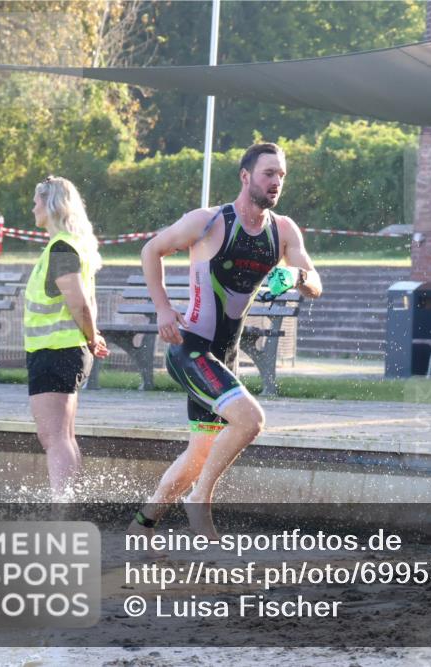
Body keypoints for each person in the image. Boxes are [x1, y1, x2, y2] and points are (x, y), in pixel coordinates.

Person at [131, 142, 321, 540]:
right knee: (251, 421)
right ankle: (200, 500)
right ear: (245, 176)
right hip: (191, 349)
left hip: (224, 358)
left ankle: (141, 526)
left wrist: (297, 276)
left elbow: (315, 283)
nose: (276, 182)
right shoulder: (209, 221)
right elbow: (151, 250)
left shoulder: (284, 231)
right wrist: (163, 309)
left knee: (201, 452)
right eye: (269, 174)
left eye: (282, 175)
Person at [24, 176, 109, 499]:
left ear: (51, 204)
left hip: (56, 351)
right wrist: (91, 335)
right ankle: (69, 502)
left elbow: (79, 302)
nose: (33, 208)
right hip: (62, 350)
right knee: (63, 436)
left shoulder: (61, 248)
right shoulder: (70, 245)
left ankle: (62, 507)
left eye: (36, 201)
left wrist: (92, 337)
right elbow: (85, 302)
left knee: (54, 438)